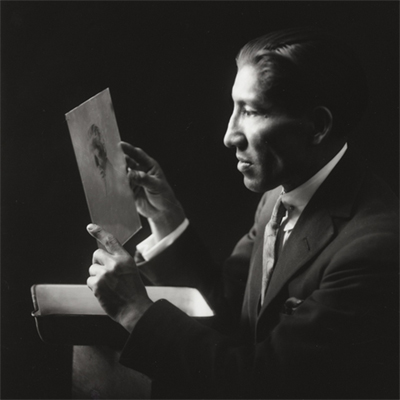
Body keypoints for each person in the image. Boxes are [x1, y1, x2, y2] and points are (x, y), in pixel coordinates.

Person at [86, 28, 399, 399]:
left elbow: (263, 382)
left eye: (250, 111)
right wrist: (166, 217)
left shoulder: (374, 249)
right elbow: (228, 307)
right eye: (234, 108)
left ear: (317, 126)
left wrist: (136, 312)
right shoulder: (277, 198)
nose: (229, 135)